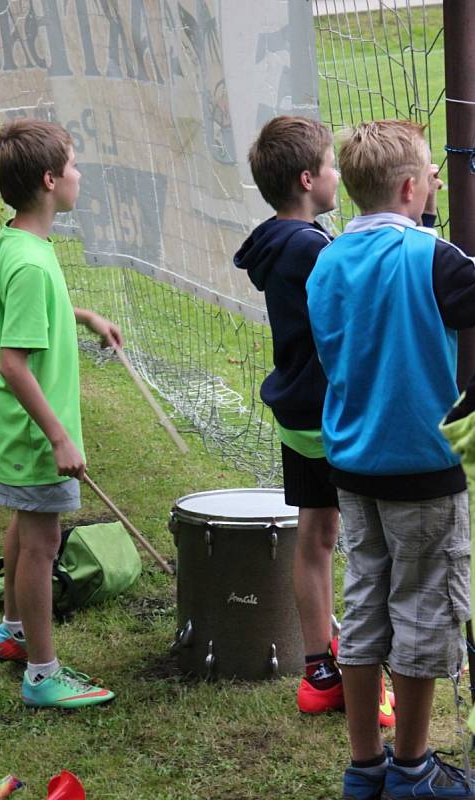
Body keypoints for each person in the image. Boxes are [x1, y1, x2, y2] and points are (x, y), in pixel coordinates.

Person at [307, 119, 475, 799]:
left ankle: (363, 765)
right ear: (411, 187)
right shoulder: (432, 258)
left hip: (351, 464)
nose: (436, 180)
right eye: (431, 173)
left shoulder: (324, 260)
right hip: (421, 468)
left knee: (367, 603)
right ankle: (411, 770)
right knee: (422, 610)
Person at [234, 115, 395, 725]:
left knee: (316, 536)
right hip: (332, 419)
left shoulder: (276, 240)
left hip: (297, 417)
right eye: (331, 166)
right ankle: (364, 674)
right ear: (308, 179)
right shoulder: (311, 248)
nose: (338, 176)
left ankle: (319, 672)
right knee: (364, 545)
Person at [0, 118, 122, 709]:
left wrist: (83, 316)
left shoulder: (19, 242)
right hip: (34, 433)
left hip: (14, 429)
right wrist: (60, 437)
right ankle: (42, 673)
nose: (79, 174)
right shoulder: (34, 264)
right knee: (42, 544)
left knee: (23, 521)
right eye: (72, 165)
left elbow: (28, 316)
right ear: (48, 181)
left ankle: (12, 630)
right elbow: (15, 363)